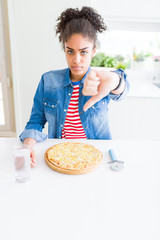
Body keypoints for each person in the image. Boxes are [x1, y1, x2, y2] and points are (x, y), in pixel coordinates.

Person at [19, 6, 129, 167]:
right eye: (70, 51)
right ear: (64, 49)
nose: (76, 60)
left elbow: (121, 90)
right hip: (61, 156)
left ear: (93, 51)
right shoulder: (48, 80)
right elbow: (36, 120)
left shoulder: (101, 80)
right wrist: (28, 143)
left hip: (97, 158)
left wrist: (116, 80)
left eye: (83, 52)